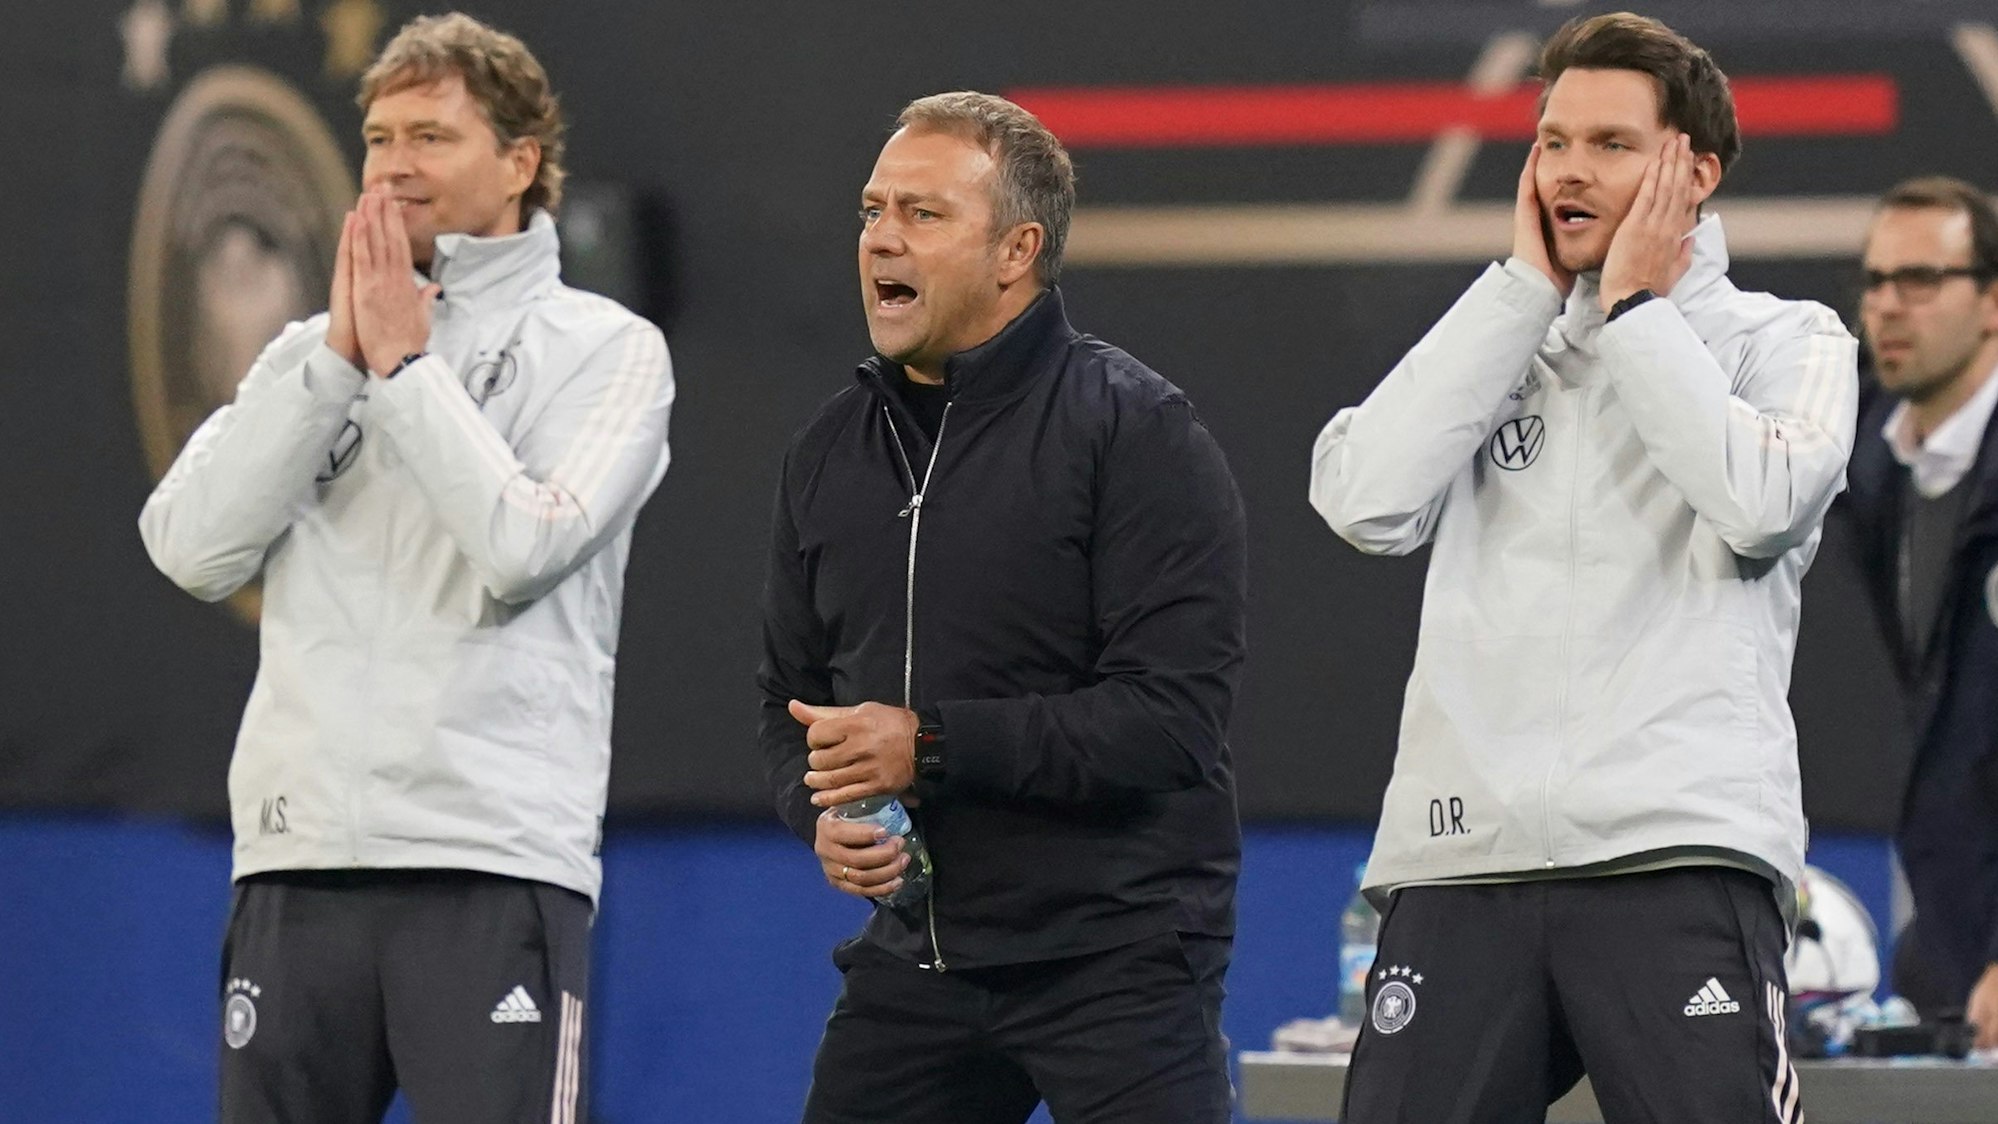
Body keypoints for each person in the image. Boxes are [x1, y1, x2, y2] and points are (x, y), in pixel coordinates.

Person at [1308, 13, 1857, 1122]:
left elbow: (1758, 505)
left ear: (1693, 171)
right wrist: (1519, 293)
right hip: (1463, 862)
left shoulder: (1789, 340)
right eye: (1552, 140)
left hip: (1678, 853)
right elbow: (1362, 501)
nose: (1567, 170)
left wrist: (1640, 313)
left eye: (1610, 144)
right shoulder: (1497, 343)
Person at [138, 13, 673, 1122]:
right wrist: (340, 358)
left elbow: (524, 545)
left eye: (430, 135)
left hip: (489, 861)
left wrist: (406, 363)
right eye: (379, 137)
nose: (392, 164)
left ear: (521, 162)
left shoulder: (610, 350)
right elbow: (188, 548)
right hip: (296, 862)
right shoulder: (308, 353)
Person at [757, 91, 1247, 1123]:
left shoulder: (1137, 430)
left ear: (1017, 249)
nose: (882, 238)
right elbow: (786, 700)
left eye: (923, 214)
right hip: (916, 960)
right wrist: (820, 814)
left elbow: (1169, 722)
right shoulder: (829, 451)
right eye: (871, 210)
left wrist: (925, 745)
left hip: (1116, 958)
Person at [1844, 176, 1998, 1046]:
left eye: (1922, 280)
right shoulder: (1863, 460)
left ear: (1992, 303)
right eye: (1874, 281)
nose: (1888, 306)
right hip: (1948, 938)